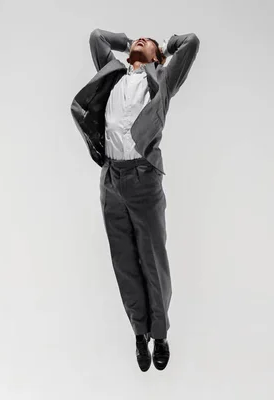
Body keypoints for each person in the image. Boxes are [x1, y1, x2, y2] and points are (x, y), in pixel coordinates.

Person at [69, 28, 200, 371]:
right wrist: (128, 45)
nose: (143, 40)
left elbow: (192, 43)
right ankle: (140, 333)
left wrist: (166, 47)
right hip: (111, 178)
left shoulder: (163, 80)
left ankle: (160, 332)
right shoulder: (112, 73)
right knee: (124, 261)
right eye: (138, 40)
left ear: (158, 57)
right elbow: (97, 37)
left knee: (152, 259)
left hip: (143, 177)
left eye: (148, 40)